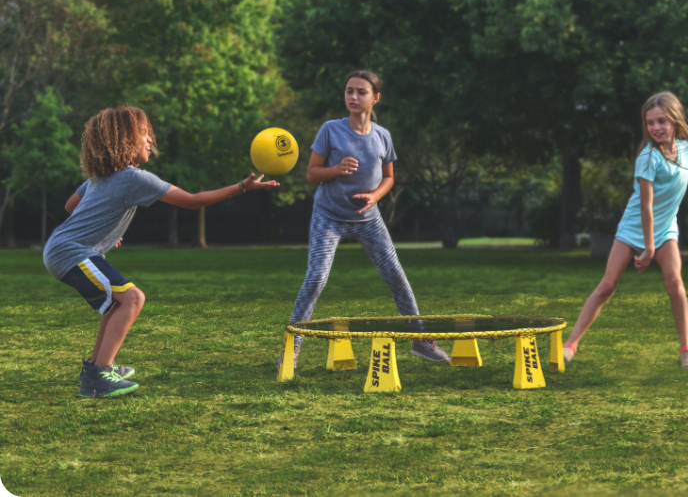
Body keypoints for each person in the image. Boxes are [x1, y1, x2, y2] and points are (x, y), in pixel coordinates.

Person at [44, 105, 279, 398]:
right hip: (70, 252)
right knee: (133, 298)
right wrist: (241, 187)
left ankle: (97, 366)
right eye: (143, 135)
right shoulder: (134, 178)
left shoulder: (100, 177)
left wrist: (104, 230)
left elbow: (70, 207)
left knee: (119, 303)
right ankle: (98, 377)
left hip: (64, 248)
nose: (149, 141)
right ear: (125, 141)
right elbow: (192, 201)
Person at [278, 71, 449, 370]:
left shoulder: (383, 136)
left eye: (361, 92)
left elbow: (389, 177)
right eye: (348, 91)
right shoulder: (331, 130)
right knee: (316, 278)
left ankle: (420, 340)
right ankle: (291, 349)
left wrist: (375, 197)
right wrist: (335, 170)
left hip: (368, 219)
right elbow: (311, 173)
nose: (353, 97)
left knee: (396, 276)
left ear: (376, 97)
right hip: (328, 216)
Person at [564, 91, 688, 371]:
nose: (655, 128)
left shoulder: (687, 150)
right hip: (634, 226)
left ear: (675, 122)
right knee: (607, 286)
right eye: (650, 122)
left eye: (662, 121)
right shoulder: (647, 158)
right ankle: (570, 345)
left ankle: (687, 348)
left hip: (665, 227)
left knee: (675, 284)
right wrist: (649, 248)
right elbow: (646, 207)